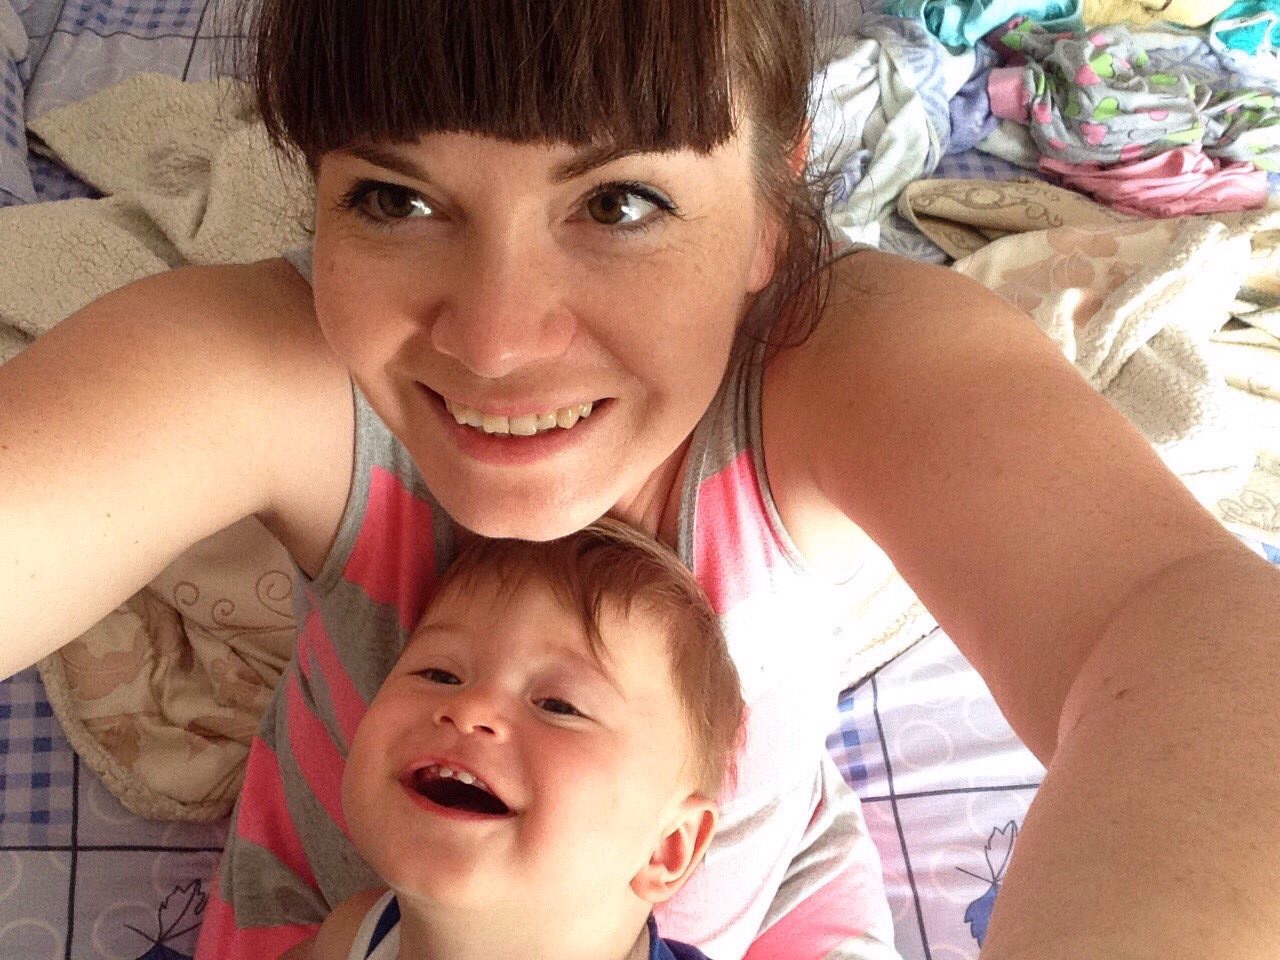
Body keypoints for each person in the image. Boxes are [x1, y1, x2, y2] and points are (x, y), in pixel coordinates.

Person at [1, 0, 1277, 958]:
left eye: (617, 205)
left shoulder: (833, 362)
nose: (494, 344)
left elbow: (1182, 625)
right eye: (393, 198)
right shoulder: (288, 362)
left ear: (769, 210)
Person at [281, 519, 744, 960]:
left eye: (558, 705)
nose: (470, 709)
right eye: (438, 673)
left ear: (667, 847)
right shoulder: (354, 936)